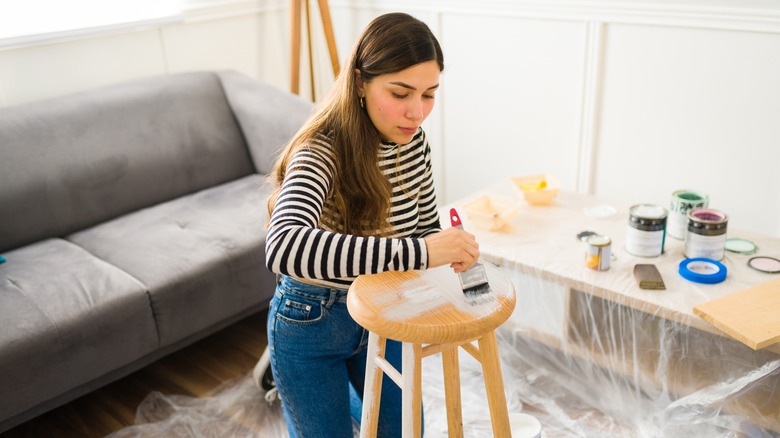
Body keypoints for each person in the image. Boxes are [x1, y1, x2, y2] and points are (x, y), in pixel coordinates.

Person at [263, 12, 480, 437]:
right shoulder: (321, 150)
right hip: (311, 320)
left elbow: (422, 231)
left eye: (429, 94)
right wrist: (425, 251)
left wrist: (448, 253)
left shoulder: (412, 142)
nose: (417, 112)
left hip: (385, 311)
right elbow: (284, 246)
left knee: (401, 430)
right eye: (400, 93)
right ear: (360, 81)